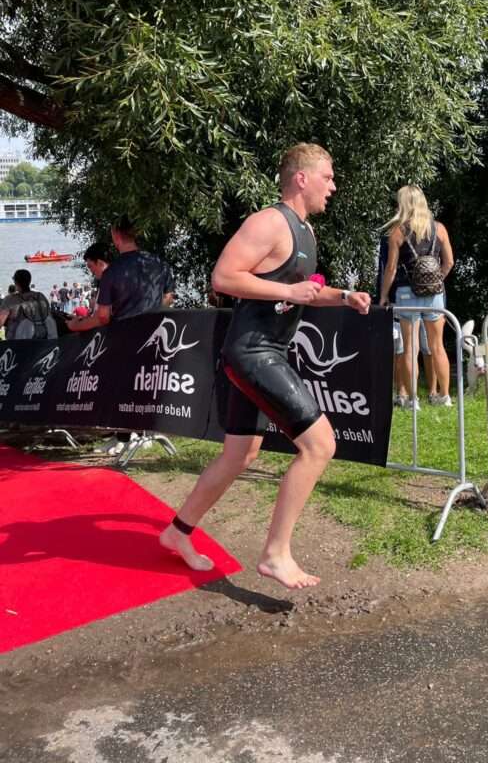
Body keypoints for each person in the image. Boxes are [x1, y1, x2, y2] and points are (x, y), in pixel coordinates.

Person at [160, 143, 371, 590]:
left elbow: (306, 287)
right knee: (320, 446)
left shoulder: (306, 233)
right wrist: (289, 295)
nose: (333, 186)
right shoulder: (269, 221)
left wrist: (343, 297)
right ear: (302, 178)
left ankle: (176, 532)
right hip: (253, 352)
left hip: (261, 352)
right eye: (328, 177)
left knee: (240, 453)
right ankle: (276, 553)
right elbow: (224, 277)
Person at [378, 185, 454, 408]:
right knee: (437, 345)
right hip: (434, 295)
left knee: (411, 348)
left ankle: (413, 399)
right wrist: (437, 279)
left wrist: (383, 295)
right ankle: (445, 396)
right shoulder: (439, 229)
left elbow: (390, 269)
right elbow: (449, 262)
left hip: (405, 293)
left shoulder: (398, 232)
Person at [66, 221, 173, 332]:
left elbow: (103, 317)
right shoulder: (159, 263)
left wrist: (74, 326)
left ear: (116, 236)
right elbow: (168, 298)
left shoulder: (111, 272)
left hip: (124, 338)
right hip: (154, 333)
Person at [0, 270, 56, 340]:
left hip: (18, 345)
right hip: (44, 342)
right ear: (29, 281)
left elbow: (0, 322)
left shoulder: (10, 299)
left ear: (15, 282)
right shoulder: (40, 296)